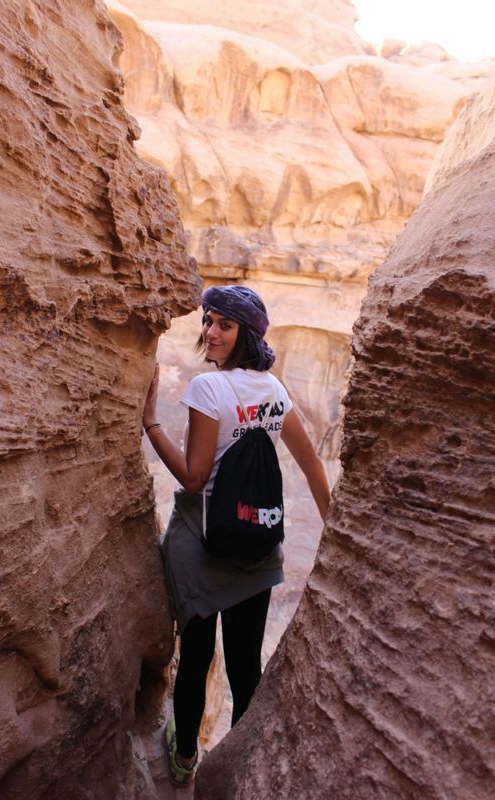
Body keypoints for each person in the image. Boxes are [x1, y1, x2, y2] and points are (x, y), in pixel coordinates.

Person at [142, 284, 331, 787]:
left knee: (197, 656)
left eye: (224, 324)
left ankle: (184, 759)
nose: (211, 332)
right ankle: (243, 769)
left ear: (245, 333)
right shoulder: (273, 389)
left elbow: (195, 478)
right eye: (208, 321)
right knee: (247, 665)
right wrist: (334, 528)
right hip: (257, 542)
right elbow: (311, 463)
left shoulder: (208, 389)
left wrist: (152, 426)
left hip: (203, 544)